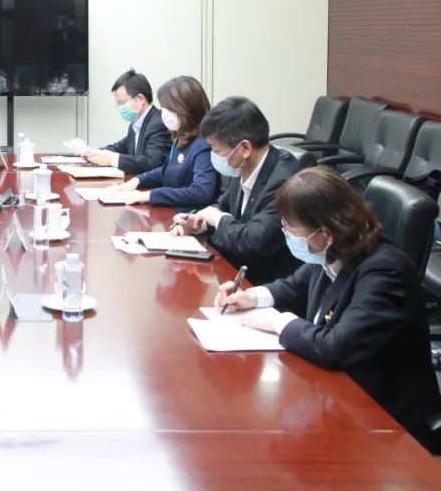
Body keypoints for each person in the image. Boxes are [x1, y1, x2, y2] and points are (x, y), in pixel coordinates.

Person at [215, 167, 441, 449]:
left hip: (384, 418)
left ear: (325, 233)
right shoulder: (337, 250)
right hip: (337, 391)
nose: (286, 234)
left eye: (290, 228)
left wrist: (277, 322)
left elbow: (336, 347)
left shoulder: (385, 271)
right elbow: (295, 286)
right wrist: (253, 297)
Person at [172, 96, 302, 284]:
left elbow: (253, 241)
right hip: (237, 273)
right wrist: (199, 223)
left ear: (245, 148)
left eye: (215, 150)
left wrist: (216, 218)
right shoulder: (243, 166)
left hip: (268, 284)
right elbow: (223, 205)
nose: (212, 156)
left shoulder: (285, 181)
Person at [107, 76, 218, 210]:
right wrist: (137, 180)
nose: (164, 113)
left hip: (189, 217)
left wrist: (150, 195)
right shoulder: (182, 138)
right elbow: (167, 171)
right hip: (172, 211)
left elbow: (201, 192)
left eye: (169, 109)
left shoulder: (203, 144)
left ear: (187, 109)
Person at [84, 69, 171, 174]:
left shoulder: (159, 123)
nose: (121, 108)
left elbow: (152, 163)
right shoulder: (136, 124)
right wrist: (93, 152)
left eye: (122, 103)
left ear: (140, 99)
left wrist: (112, 159)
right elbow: (120, 147)